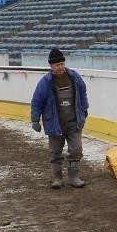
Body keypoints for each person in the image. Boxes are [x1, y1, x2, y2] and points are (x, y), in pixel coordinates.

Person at [31, 48, 89, 189]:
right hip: (55, 123)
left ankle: (74, 177)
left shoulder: (74, 77)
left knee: (76, 149)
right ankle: (57, 178)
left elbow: (83, 93)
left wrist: (85, 108)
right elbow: (37, 101)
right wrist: (35, 119)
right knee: (55, 152)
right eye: (57, 65)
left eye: (62, 64)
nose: (60, 67)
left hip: (74, 122)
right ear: (51, 66)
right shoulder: (45, 82)